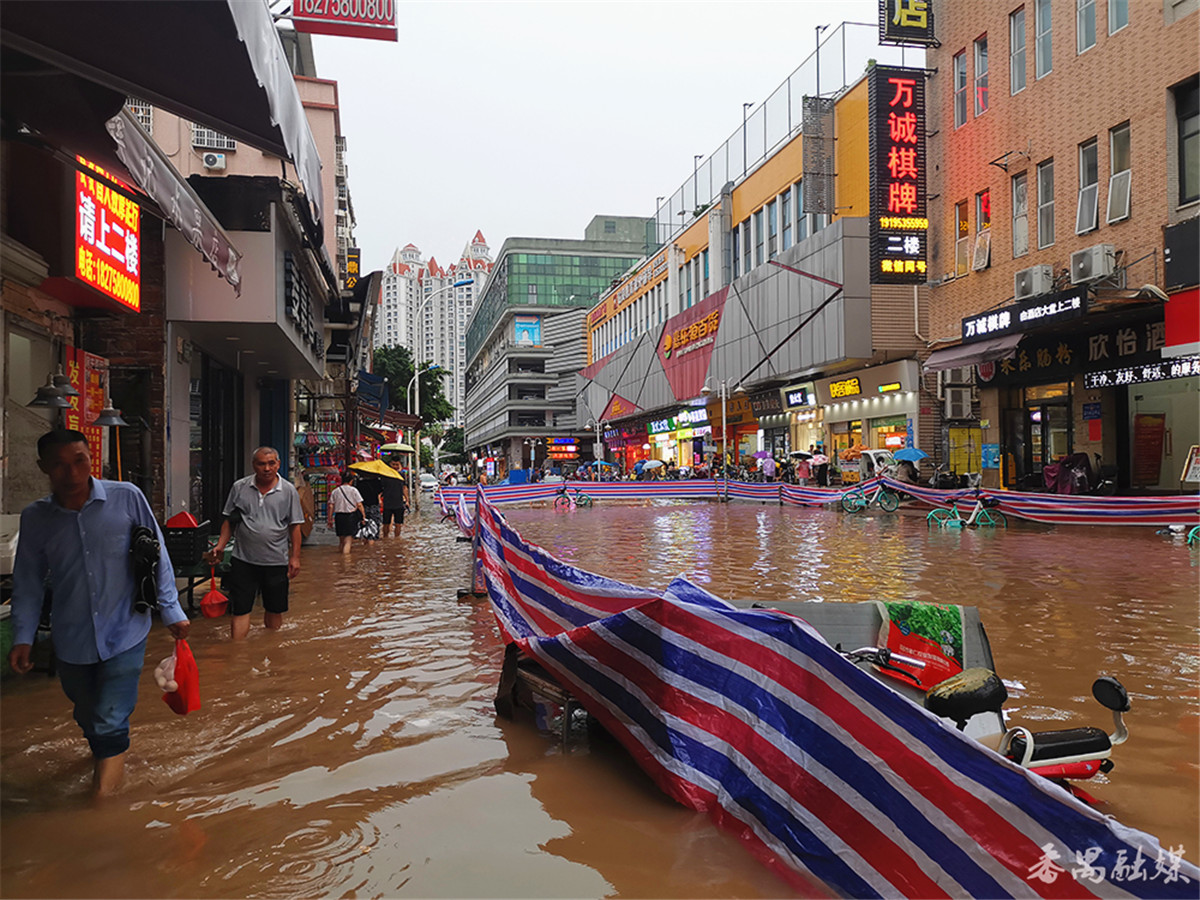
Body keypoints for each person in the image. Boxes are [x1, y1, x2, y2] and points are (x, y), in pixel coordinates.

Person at [9, 429, 191, 798]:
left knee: (109, 718)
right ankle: (109, 756)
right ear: (43, 468)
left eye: (80, 461)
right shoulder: (36, 518)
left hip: (125, 630)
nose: (72, 473)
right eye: (59, 465)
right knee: (87, 714)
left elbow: (157, 553)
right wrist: (23, 637)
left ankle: (102, 804)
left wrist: (171, 608)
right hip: (71, 637)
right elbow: (27, 581)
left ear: (92, 458)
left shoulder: (127, 497)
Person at [205, 446, 304, 640]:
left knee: (274, 608)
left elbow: (295, 526)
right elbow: (230, 521)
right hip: (243, 559)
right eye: (261, 464)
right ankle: (237, 651)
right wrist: (220, 546)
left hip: (276, 560)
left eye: (271, 463)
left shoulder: (288, 491)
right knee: (240, 608)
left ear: (278, 464)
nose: (267, 468)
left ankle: (271, 647)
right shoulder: (240, 487)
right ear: (254, 465)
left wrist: (295, 557)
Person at [328, 469, 366, 555]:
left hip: (339, 517)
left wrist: (329, 519)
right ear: (351, 481)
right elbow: (359, 505)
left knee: (341, 541)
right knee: (348, 541)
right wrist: (363, 516)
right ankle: (346, 560)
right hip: (350, 517)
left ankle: (340, 558)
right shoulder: (354, 490)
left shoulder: (335, 491)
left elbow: (331, 506)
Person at [381, 459, 409, 537]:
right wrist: (380, 500)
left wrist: (407, 500)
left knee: (398, 524)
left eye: (397, 464)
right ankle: (385, 538)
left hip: (399, 502)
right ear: (390, 464)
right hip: (387, 502)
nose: (395, 466)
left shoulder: (402, 475)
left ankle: (397, 538)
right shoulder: (385, 475)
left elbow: (404, 488)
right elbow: (381, 489)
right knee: (386, 523)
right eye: (393, 464)